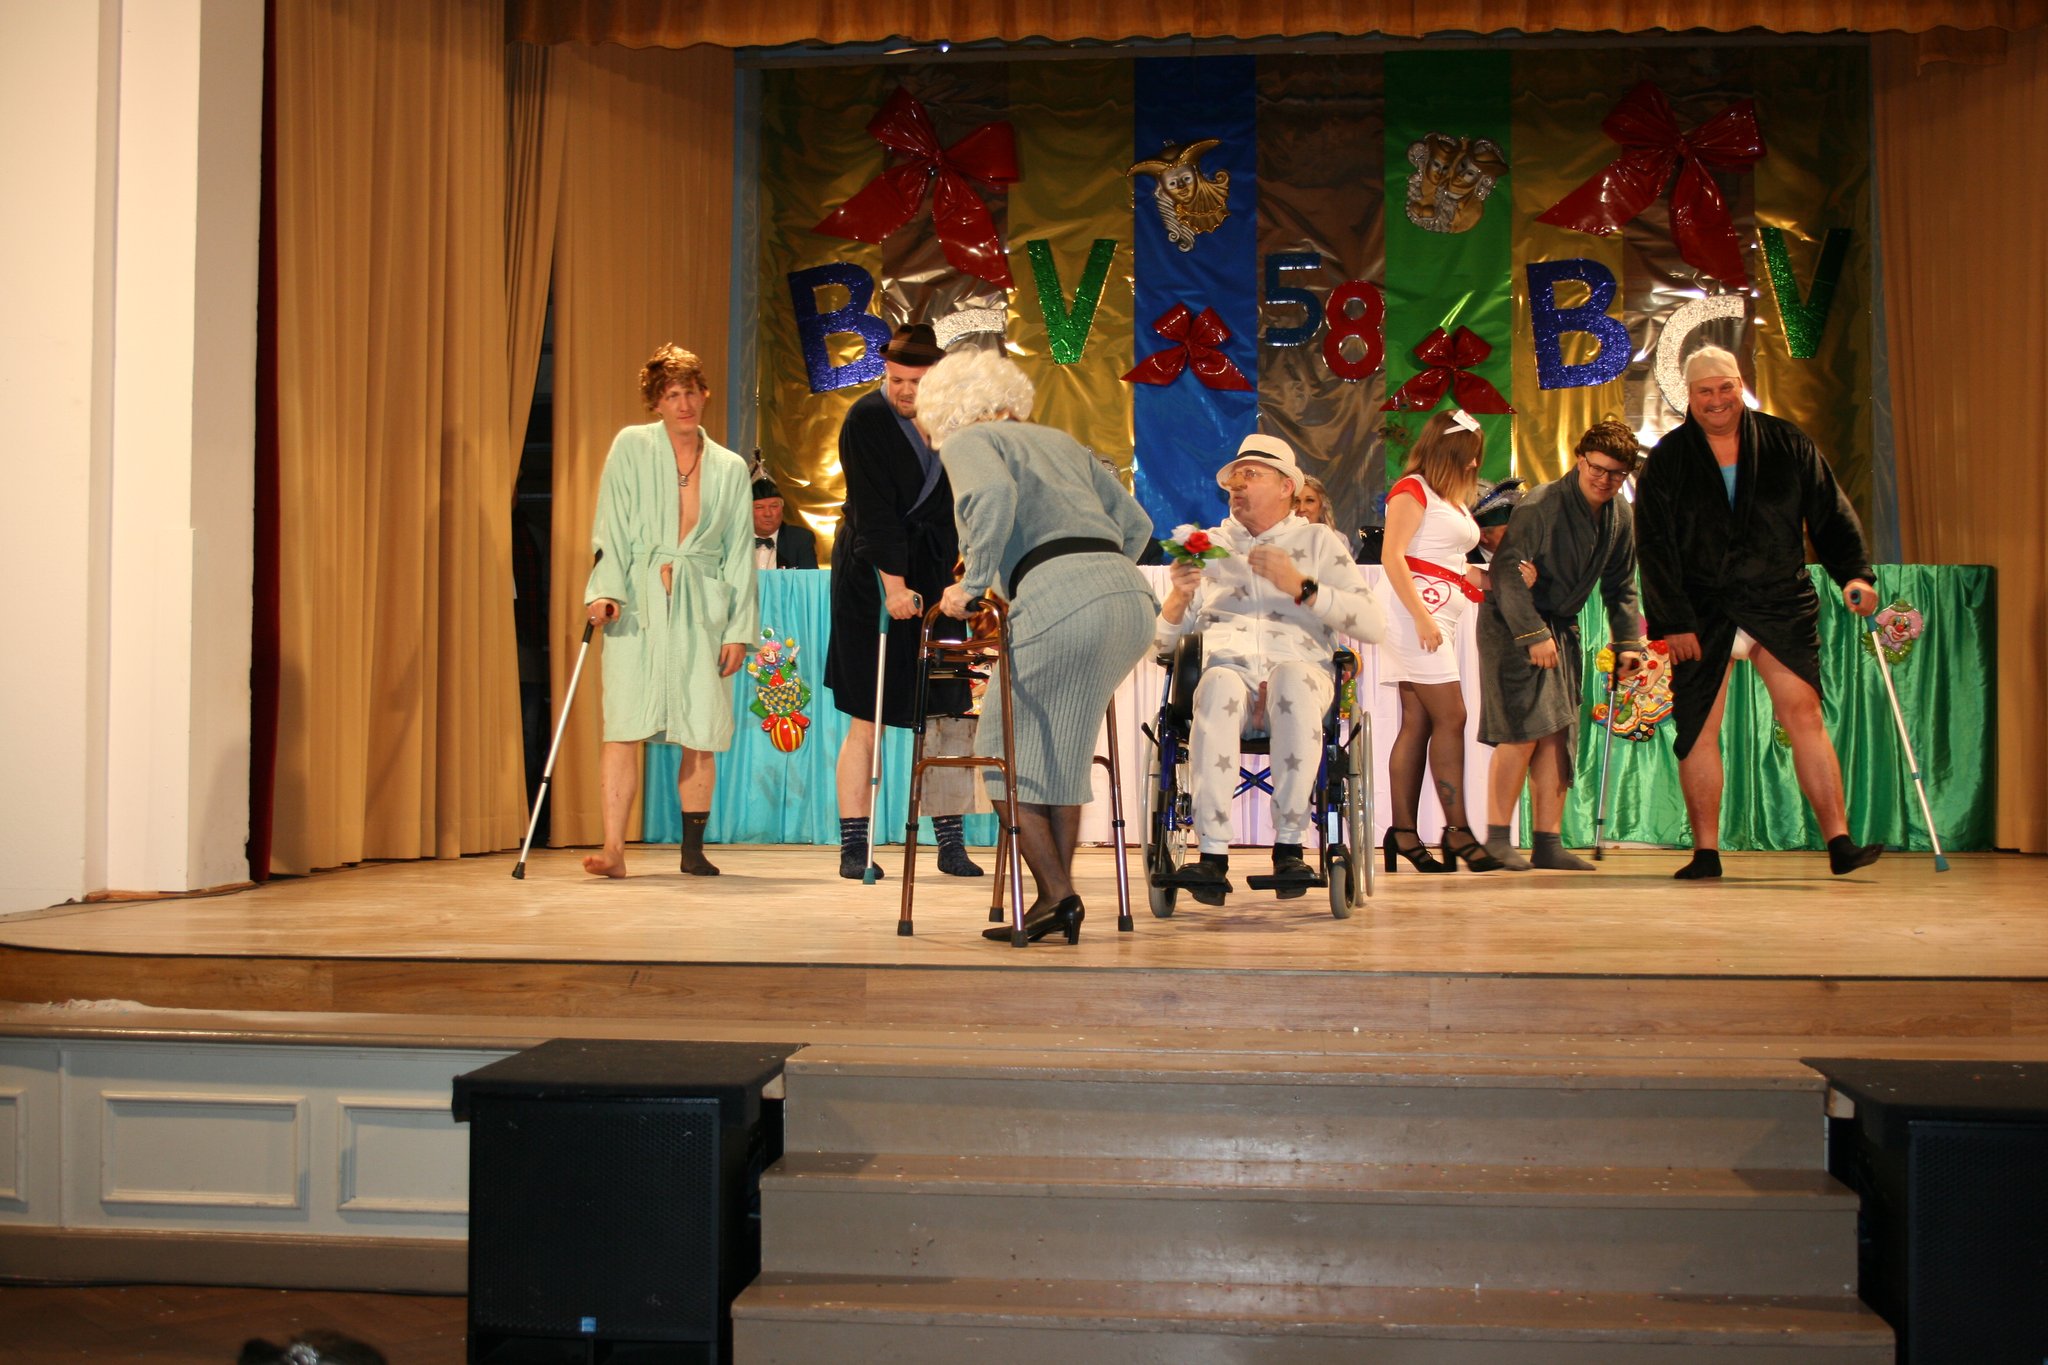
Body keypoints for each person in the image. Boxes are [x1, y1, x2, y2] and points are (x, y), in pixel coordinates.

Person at [923, 348, 1157, 945]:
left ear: (943, 409)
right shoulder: (1059, 441)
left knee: (1001, 753)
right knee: (1060, 757)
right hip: (1129, 599)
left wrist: (972, 585)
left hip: (1059, 601)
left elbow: (992, 496)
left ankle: (1059, 894)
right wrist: (1098, 575)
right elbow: (1138, 525)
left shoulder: (970, 440)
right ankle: (1057, 899)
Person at [1636, 345, 1883, 879]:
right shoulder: (1669, 459)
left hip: (1777, 600)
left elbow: (1830, 513)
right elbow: (1653, 546)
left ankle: (1840, 843)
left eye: (1725, 387)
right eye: (1705, 390)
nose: (1717, 399)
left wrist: (1855, 575)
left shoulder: (1787, 442)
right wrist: (1673, 621)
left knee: (1804, 715)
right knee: (1698, 728)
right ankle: (1706, 853)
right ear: (1688, 396)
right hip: (1701, 611)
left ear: (1740, 387)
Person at [1157, 435, 1386, 905]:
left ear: (1286, 487)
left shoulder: (1318, 542)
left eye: (1251, 475)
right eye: (1233, 479)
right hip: (1227, 673)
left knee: (1292, 679)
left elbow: (1373, 624)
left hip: (1301, 672)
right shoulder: (1207, 545)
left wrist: (1301, 586)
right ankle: (1211, 855)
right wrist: (1179, 597)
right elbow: (1160, 646)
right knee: (1217, 682)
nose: (1237, 486)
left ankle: (1289, 848)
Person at [582, 344, 757, 879]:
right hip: (637, 602)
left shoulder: (729, 467)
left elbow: (739, 552)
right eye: (671, 395)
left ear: (705, 395)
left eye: (690, 392)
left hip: (702, 604)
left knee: (700, 726)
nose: (683, 404)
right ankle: (614, 849)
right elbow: (610, 524)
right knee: (623, 723)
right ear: (656, 403)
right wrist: (604, 592)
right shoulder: (631, 447)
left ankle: (693, 849)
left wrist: (738, 630)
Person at [824, 323, 980, 880]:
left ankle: (950, 842)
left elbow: (966, 500)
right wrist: (892, 586)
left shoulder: (955, 419)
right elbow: (873, 511)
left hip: (935, 574)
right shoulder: (866, 419)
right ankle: (854, 845)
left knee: (945, 712)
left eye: (916, 381)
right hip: (872, 575)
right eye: (896, 380)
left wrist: (966, 576)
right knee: (867, 715)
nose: (905, 391)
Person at [1478, 419, 1646, 872]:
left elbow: (1621, 583)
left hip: (1559, 626)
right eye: (1597, 468)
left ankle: (1548, 842)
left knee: (1557, 734)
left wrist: (1628, 641)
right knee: (1523, 730)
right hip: (1514, 622)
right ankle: (1497, 839)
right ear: (1580, 459)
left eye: (1616, 474)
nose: (1604, 480)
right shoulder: (1542, 504)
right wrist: (1532, 634)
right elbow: (1506, 572)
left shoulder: (1619, 514)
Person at [1378, 408, 1502, 872]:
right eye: (1469, 454)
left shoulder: (1449, 500)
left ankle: (1404, 834)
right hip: (1414, 615)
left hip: (1436, 614)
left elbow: (1451, 563)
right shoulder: (1411, 490)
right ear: (1447, 451)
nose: (1474, 464)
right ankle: (1457, 831)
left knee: (1419, 721)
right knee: (1452, 715)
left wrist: (1500, 578)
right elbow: (1393, 557)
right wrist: (1421, 618)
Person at [750, 476, 819, 570]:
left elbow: (809, 578)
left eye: (774, 506)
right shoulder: (734, 539)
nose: (768, 514)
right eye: (759, 507)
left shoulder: (801, 539)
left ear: (782, 509)